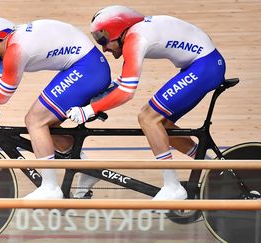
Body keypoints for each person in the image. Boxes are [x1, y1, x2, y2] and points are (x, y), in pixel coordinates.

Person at [0, 15, 112, 199]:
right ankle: (87, 167)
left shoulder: (15, 50)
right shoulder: (9, 44)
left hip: (87, 69)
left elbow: (1, 95)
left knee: (35, 121)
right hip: (86, 66)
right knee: (44, 126)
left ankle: (50, 188)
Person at [67, 6, 226, 200]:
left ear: (118, 30)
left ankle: (172, 186)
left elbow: (126, 92)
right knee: (161, 125)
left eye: (103, 38)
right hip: (203, 64)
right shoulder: (136, 32)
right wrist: (103, 96)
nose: (103, 47)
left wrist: (89, 110)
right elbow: (123, 80)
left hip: (204, 66)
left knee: (148, 118)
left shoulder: (135, 38)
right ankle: (214, 169)